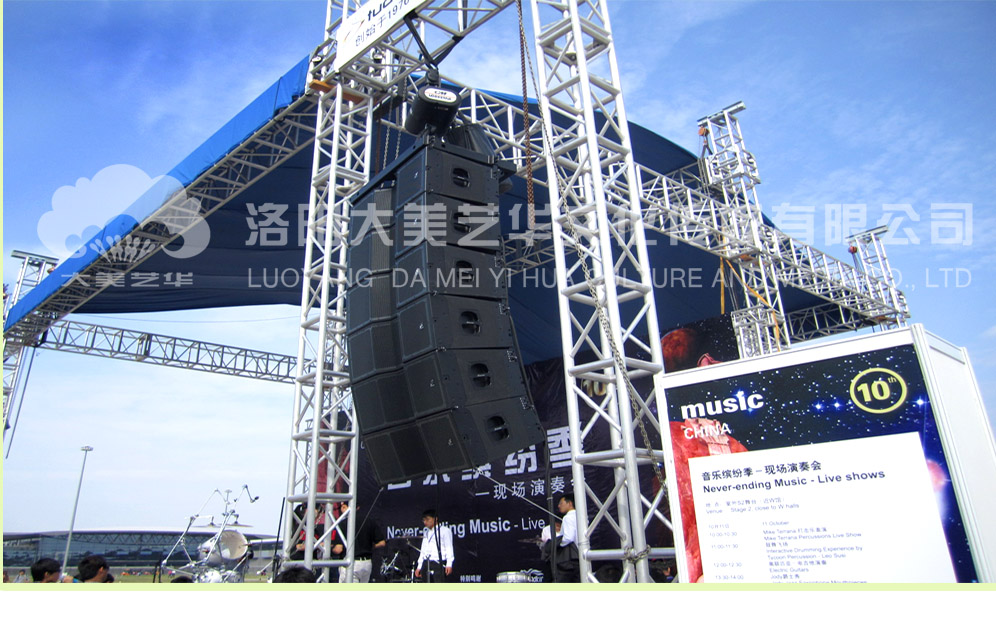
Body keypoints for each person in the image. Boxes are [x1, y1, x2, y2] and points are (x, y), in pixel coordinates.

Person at [335, 502, 386, 583]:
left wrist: (329, 548)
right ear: (357, 507)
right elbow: (382, 543)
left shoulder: (343, 524)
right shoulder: (369, 521)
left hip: (351, 563)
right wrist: (370, 546)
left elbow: (338, 549)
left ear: (344, 507)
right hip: (366, 564)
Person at [415, 509, 454, 583]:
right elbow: (423, 550)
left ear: (435, 519)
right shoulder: (426, 533)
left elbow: (449, 547)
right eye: (423, 520)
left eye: (427, 519)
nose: (425, 522)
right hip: (426, 563)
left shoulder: (444, 530)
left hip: (438, 563)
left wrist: (449, 564)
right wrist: (419, 566)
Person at [555, 493, 580, 583]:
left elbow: (568, 538)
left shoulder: (568, 518)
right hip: (583, 555)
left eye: (561, 503)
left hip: (571, 558)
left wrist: (558, 544)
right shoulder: (582, 516)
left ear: (569, 503)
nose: (559, 506)